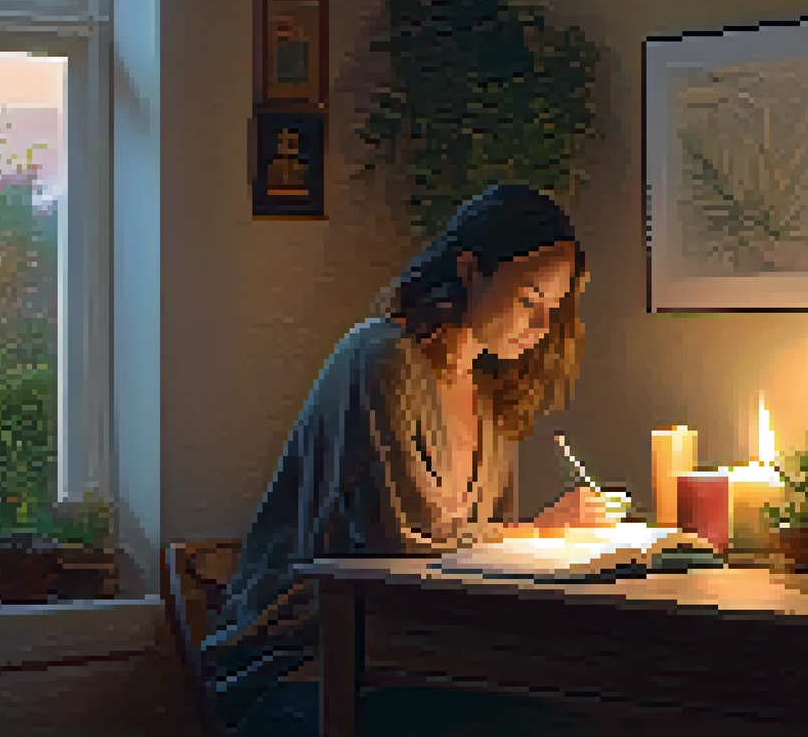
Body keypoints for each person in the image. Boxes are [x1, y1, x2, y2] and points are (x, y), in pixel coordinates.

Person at [195, 184, 611, 735]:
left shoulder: (489, 393)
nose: (539, 328)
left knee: (582, 715)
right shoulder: (383, 356)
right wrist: (539, 531)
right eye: (528, 301)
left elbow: (473, 555)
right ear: (469, 270)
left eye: (552, 311)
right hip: (304, 663)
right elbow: (402, 541)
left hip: (411, 656)